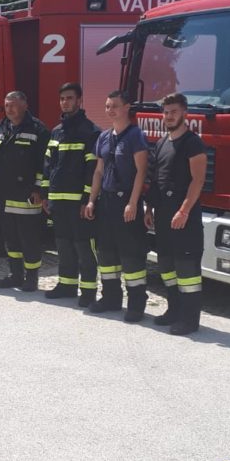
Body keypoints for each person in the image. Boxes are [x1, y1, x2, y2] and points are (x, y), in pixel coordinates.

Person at [84, 91, 151, 323]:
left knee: (130, 255)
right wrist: (92, 200)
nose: (110, 110)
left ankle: (136, 304)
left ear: (126, 108)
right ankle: (111, 298)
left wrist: (133, 202)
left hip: (126, 203)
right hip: (106, 203)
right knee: (106, 253)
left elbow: (141, 171)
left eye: (114, 106)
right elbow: (99, 171)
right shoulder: (103, 137)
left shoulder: (135, 136)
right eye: (107, 106)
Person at [146, 92, 207, 335]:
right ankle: (174, 311)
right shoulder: (162, 143)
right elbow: (156, 179)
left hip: (184, 218)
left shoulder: (193, 143)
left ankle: (190, 320)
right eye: (166, 112)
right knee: (167, 266)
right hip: (163, 216)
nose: (169, 116)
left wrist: (184, 210)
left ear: (185, 113)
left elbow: (198, 180)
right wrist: (149, 209)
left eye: (174, 112)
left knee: (187, 270)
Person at [0, 91, 51, 292]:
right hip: (4, 194)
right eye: (6, 105)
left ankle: (31, 278)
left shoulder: (37, 129)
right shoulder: (0, 127)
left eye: (13, 105)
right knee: (10, 238)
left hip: (27, 195)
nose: (9, 109)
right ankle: (16, 275)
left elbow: (44, 164)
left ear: (24, 105)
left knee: (29, 239)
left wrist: (39, 189)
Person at [43, 83, 101, 307]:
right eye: (62, 99)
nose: (65, 102)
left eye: (69, 98)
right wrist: (46, 194)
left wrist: (87, 200)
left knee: (83, 247)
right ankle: (66, 285)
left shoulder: (91, 131)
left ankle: (88, 291)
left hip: (78, 202)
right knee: (63, 245)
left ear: (79, 100)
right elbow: (48, 164)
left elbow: (92, 170)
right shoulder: (57, 131)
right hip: (58, 201)